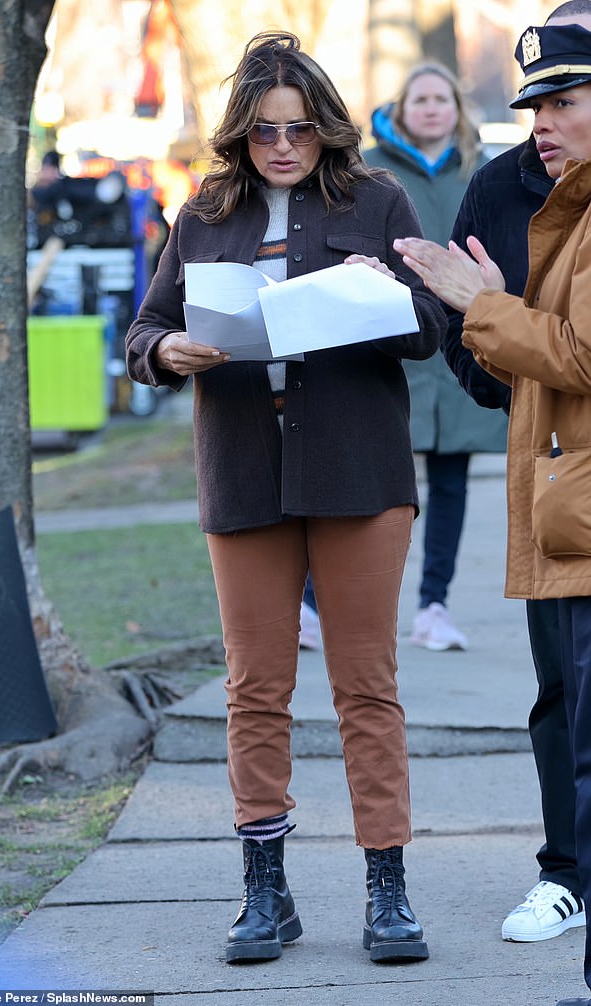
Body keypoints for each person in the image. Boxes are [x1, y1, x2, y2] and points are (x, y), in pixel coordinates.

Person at [126, 31, 446, 966]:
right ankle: (264, 894)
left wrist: (381, 296)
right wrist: (164, 352)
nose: (282, 146)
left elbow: (431, 329)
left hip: (357, 474)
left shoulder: (377, 199)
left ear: (326, 128)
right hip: (244, 471)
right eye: (265, 130)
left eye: (300, 128)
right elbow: (148, 325)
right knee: (255, 690)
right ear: (239, 133)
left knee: (366, 687)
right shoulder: (203, 215)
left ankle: (387, 893)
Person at [394, 21, 591, 1005]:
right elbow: (479, 342)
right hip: (549, 487)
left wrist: (489, 306)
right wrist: (486, 325)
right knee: (561, 702)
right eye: (536, 99)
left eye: (568, 95)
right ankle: (567, 872)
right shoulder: (507, 185)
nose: (544, 116)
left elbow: (576, 349)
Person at [363, 62, 508, 653]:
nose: (430, 109)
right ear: (400, 108)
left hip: (459, 343)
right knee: (371, 485)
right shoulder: (368, 169)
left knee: (450, 481)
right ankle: (324, 606)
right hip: (391, 340)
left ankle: (434, 606)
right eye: (418, 98)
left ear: (457, 108)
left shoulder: (481, 169)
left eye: (440, 99)